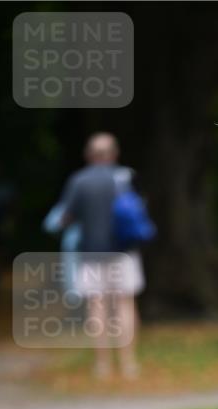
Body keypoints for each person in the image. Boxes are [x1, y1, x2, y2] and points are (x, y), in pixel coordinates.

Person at [59, 133, 144, 380]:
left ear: (89, 155)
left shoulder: (79, 181)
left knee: (97, 307)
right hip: (124, 252)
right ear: (114, 154)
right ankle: (129, 364)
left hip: (91, 254)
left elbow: (66, 217)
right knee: (125, 305)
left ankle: (103, 365)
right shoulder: (126, 176)